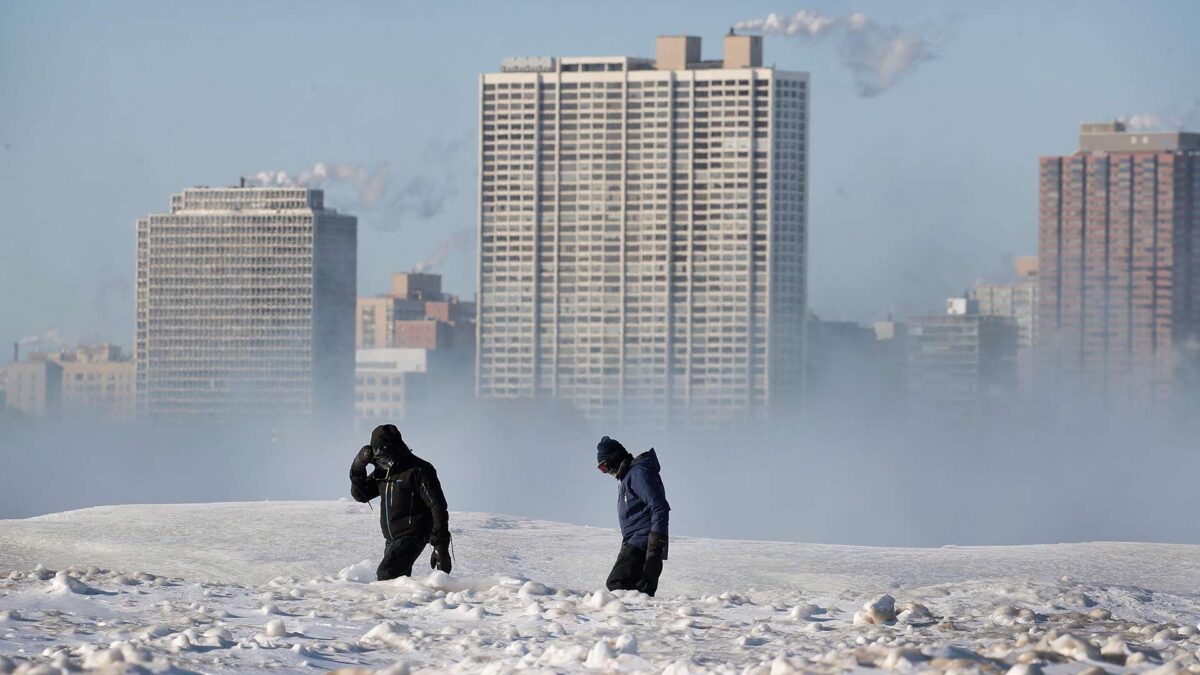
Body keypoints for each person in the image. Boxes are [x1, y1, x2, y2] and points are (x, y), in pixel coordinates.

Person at [349, 424, 452, 581]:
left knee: (387, 573)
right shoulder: (383, 472)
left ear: (394, 447)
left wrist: (441, 546)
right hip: (392, 539)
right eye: (377, 457)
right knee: (398, 583)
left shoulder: (418, 470)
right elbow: (361, 494)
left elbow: (437, 506)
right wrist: (358, 465)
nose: (381, 460)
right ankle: (407, 605)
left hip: (413, 534)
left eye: (383, 454)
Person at [595, 435, 670, 596]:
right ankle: (638, 618)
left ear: (614, 459)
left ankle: (630, 617)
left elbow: (659, 506)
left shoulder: (638, 473)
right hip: (635, 541)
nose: (606, 472)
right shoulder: (628, 477)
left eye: (604, 466)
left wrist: (655, 546)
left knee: (617, 584)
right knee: (639, 591)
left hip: (644, 541)